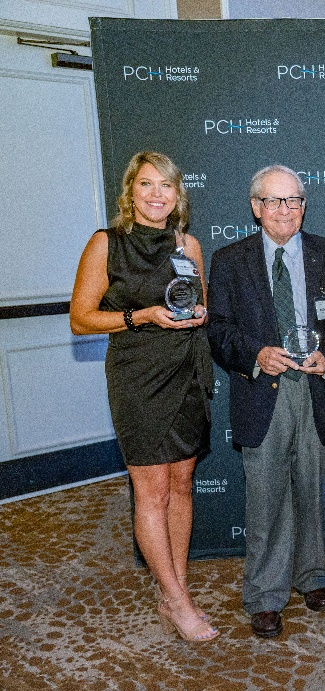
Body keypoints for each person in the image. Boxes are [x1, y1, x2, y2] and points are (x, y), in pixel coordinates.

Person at [70, 151, 217, 642]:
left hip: (186, 375)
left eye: (167, 186)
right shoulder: (106, 244)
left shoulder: (188, 244)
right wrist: (142, 316)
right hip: (139, 378)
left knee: (181, 484)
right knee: (151, 491)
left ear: (179, 195)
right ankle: (177, 602)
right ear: (130, 192)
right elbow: (81, 318)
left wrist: (197, 316)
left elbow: (201, 306)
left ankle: (173, 589)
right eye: (147, 185)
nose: (157, 195)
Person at [207, 165, 325, 639]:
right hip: (261, 389)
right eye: (272, 201)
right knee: (264, 500)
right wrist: (255, 355)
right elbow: (218, 329)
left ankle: (313, 577)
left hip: (317, 389)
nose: (283, 210)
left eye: (293, 201)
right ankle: (265, 595)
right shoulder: (229, 260)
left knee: (313, 490)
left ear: (304, 206)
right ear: (255, 207)